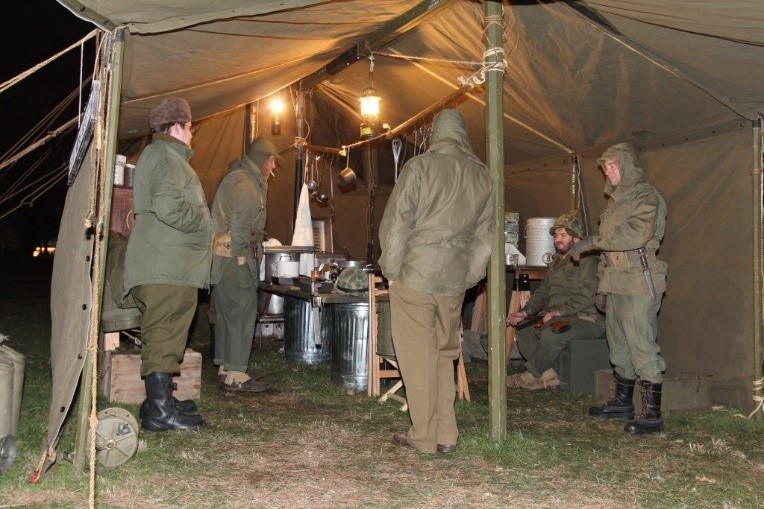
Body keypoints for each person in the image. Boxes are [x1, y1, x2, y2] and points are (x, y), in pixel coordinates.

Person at [379, 109, 494, 454]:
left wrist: (392, 269)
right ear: (463, 136)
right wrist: (470, 275)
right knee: (445, 355)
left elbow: (397, 224)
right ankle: (447, 435)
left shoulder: (419, 168)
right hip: (454, 279)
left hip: (416, 274)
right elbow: (486, 237)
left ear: (434, 136)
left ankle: (424, 437)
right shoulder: (483, 176)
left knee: (417, 358)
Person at [124, 97, 212, 432]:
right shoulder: (165, 156)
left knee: (167, 333)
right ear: (176, 127)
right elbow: (168, 206)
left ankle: (158, 403)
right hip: (167, 266)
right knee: (163, 334)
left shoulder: (164, 156)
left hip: (168, 263)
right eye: (190, 128)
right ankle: (160, 413)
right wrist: (203, 220)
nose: (193, 135)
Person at [569, 142, 668, 435]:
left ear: (626, 167)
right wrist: (602, 285)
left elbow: (634, 235)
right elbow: (608, 252)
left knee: (641, 343)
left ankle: (652, 413)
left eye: (613, 167)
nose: (608, 173)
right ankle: (622, 402)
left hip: (638, 280)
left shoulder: (646, 197)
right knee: (619, 344)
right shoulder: (616, 203)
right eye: (605, 169)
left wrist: (593, 240)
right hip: (616, 280)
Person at [210, 139, 282, 392]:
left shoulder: (238, 177)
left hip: (223, 256)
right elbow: (240, 226)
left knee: (228, 312)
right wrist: (242, 258)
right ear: (263, 159)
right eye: (272, 160)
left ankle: (226, 366)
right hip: (235, 256)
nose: (273, 165)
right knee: (243, 310)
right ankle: (237, 374)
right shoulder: (247, 184)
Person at [506, 211, 605, 390]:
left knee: (552, 334)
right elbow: (543, 291)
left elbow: (587, 295)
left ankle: (529, 375)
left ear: (575, 238)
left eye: (563, 235)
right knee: (524, 331)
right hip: (560, 317)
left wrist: (559, 312)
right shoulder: (558, 262)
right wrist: (525, 312)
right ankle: (549, 375)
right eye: (556, 235)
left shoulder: (590, 260)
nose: (557, 239)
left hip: (586, 319)